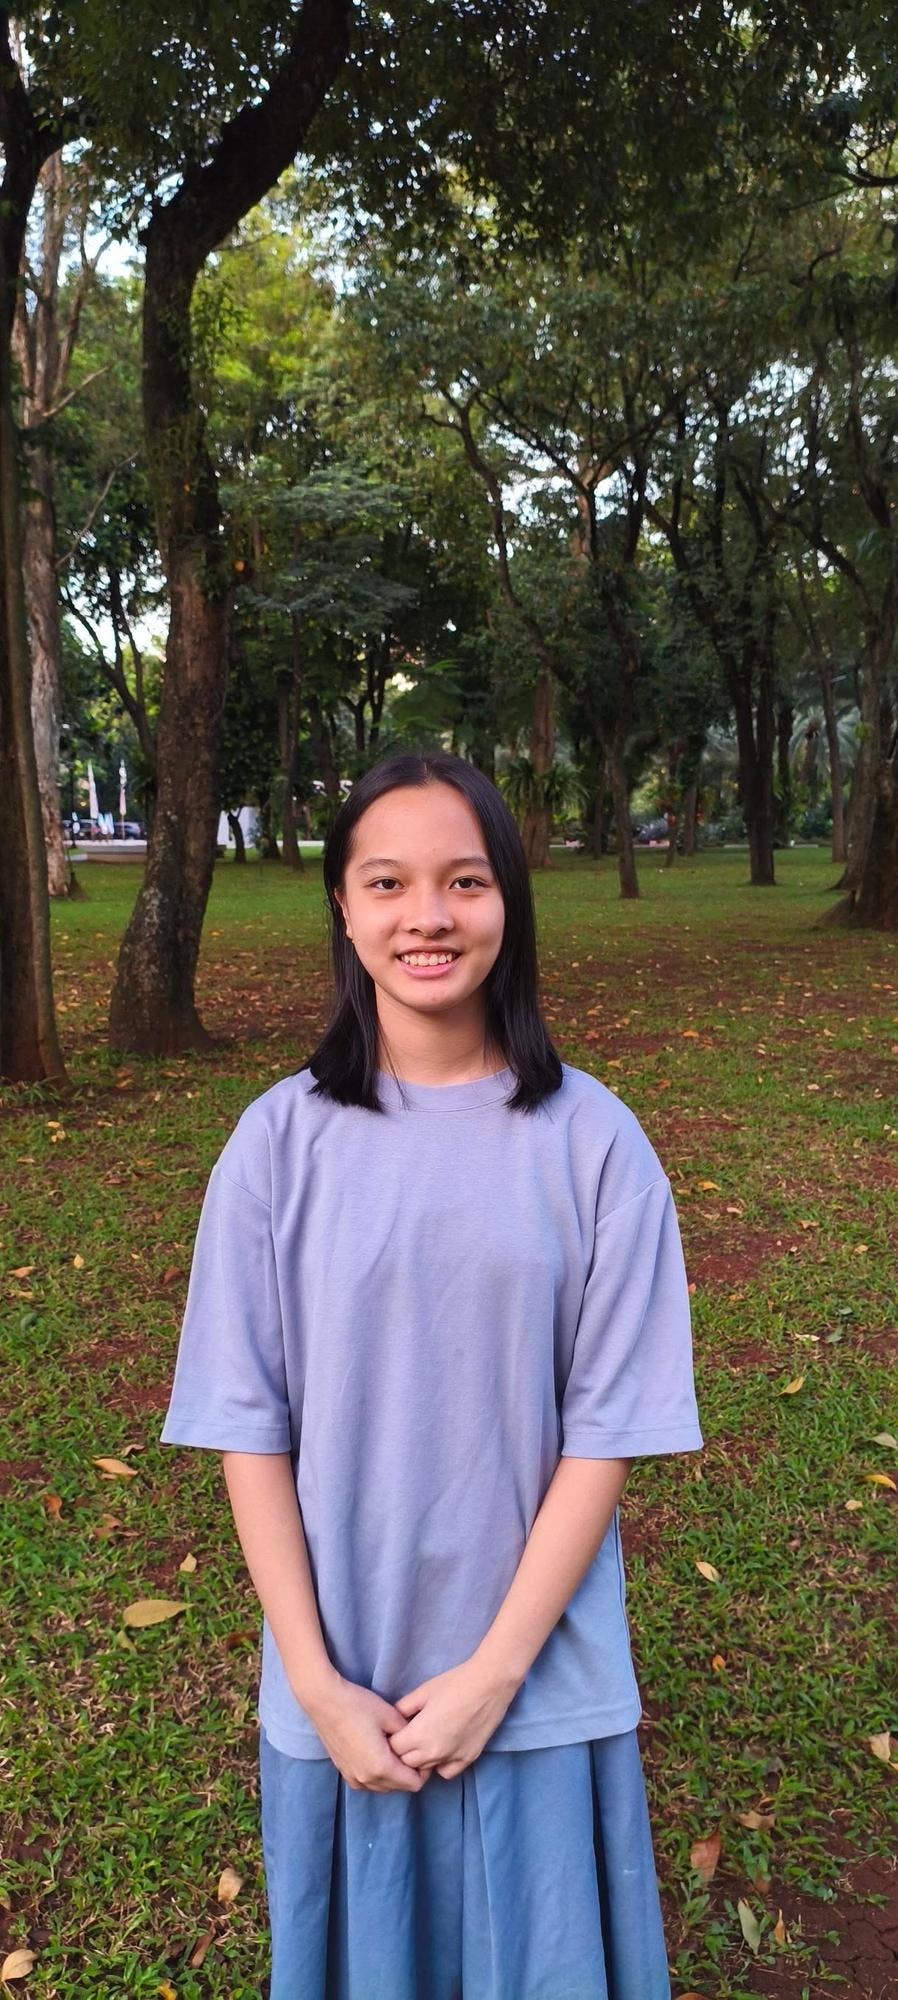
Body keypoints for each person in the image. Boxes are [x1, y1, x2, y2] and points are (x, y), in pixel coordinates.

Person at [160, 749, 704, 2000]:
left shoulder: (595, 1143)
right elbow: (251, 1428)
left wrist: (496, 1673)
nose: (428, 916)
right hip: (344, 1681)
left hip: (537, 1684)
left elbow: (603, 1430)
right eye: (387, 881)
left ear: (507, 902)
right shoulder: (275, 1145)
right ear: (344, 910)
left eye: (464, 880)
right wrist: (313, 1679)